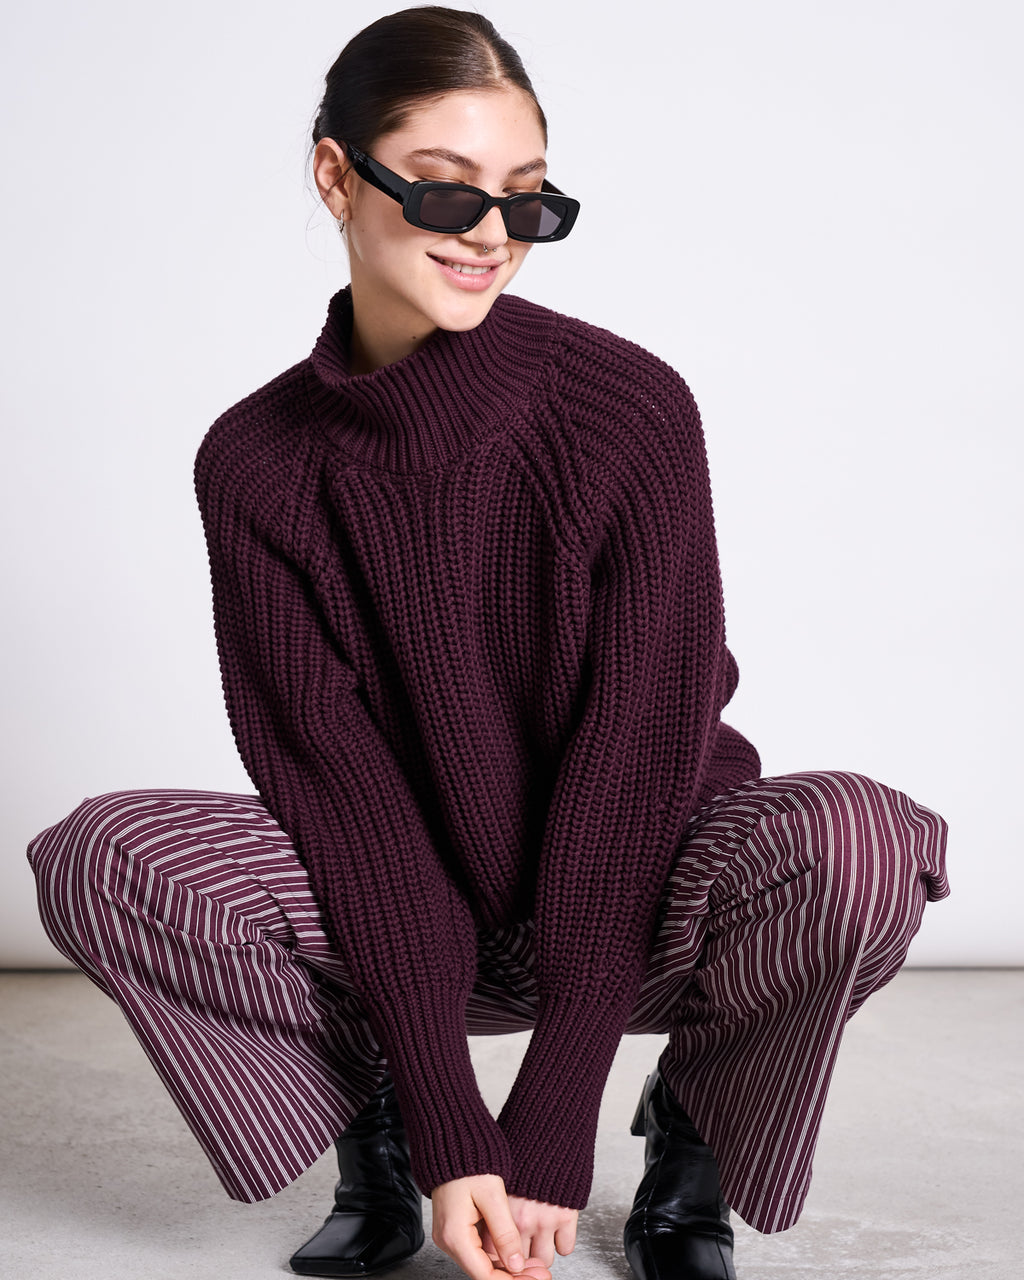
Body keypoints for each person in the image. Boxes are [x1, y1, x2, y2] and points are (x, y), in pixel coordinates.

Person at [26, 8, 949, 1280]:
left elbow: (636, 760)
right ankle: (388, 1132)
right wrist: (464, 1123)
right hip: (393, 908)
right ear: (336, 173)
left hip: (648, 889)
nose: (493, 237)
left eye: (526, 199)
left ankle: (696, 1134)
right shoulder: (253, 462)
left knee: (866, 839)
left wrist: (555, 1114)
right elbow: (338, 792)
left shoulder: (627, 410)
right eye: (448, 192)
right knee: (104, 855)